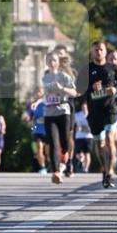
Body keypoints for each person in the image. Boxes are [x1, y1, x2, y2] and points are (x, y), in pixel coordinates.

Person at [85, 40, 117, 189]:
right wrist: (91, 88)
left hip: (110, 109)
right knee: (99, 144)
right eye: (96, 50)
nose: (99, 52)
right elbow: (78, 89)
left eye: (101, 49)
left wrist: (115, 89)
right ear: (92, 52)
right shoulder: (87, 69)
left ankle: (109, 172)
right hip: (94, 111)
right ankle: (104, 169)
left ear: (105, 52)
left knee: (109, 138)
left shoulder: (113, 68)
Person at [41, 51, 76, 184]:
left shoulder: (64, 76)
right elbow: (42, 94)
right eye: (49, 60)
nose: (52, 62)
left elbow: (74, 92)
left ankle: (65, 157)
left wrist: (62, 88)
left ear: (58, 62)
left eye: (54, 60)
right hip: (49, 113)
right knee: (53, 143)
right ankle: (56, 172)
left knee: (64, 143)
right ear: (46, 62)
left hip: (63, 112)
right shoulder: (44, 78)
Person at [53, 46, 77, 178]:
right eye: (57, 55)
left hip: (68, 105)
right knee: (56, 137)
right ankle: (59, 163)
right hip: (54, 106)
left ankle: (70, 162)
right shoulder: (49, 71)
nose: (59, 57)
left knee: (68, 136)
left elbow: (77, 91)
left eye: (61, 54)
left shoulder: (72, 72)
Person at [25, 87, 47, 173]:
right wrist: (27, 118)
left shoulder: (47, 103)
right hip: (37, 131)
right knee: (39, 149)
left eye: (40, 92)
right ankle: (43, 167)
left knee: (48, 152)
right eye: (37, 92)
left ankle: (51, 165)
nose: (38, 93)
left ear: (43, 93)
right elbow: (29, 116)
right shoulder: (33, 105)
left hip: (48, 130)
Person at [73, 101, 94, 173]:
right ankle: (81, 161)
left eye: (85, 107)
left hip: (89, 137)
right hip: (79, 136)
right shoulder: (77, 115)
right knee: (78, 153)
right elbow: (74, 125)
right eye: (83, 107)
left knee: (87, 153)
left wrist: (84, 128)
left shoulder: (91, 115)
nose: (84, 108)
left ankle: (86, 168)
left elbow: (92, 127)